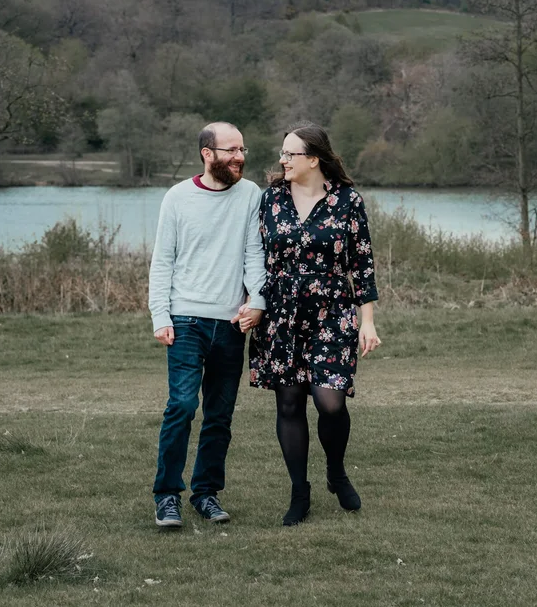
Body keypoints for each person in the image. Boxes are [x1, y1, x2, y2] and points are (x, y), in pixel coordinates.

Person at [248, 121, 381, 526]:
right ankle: (299, 491)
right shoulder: (271, 199)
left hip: (333, 311)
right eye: (283, 153)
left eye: (290, 154)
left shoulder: (347, 201)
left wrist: (368, 322)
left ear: (313, 159)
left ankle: (336, 472)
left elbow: (362, 264)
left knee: (330, 401)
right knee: (289, 403)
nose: (283, 160)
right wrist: (250, 301)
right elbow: (254, 256)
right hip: (281, 313)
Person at [148, 121, 266, 528]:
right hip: (184, 320)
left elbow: (255, 254)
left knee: (219, 415)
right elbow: (162, 260)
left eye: (242, 149)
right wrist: (160, 315)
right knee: (182, 406)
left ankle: (205, 493)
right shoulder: (178, 198)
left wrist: (258, 300)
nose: (239, 157)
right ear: (207, 153)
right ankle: (167, 496)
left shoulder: (250, 195)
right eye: (231, 150)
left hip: (231, 323)